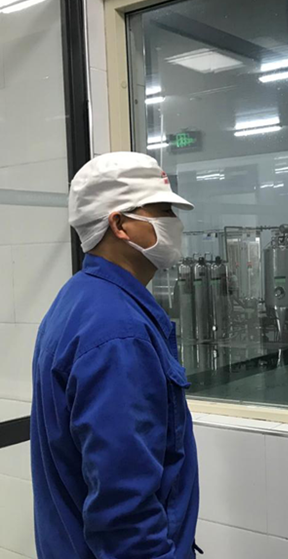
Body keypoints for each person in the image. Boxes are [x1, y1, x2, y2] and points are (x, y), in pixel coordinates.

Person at [30, 152, 200, 558]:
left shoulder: (80, 297)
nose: (174, 224)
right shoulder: (118, 333)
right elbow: (124, 511)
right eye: (162, 211)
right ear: (119, 224)